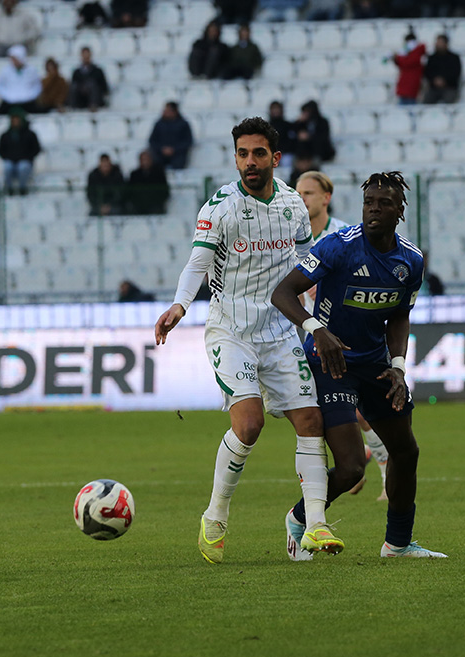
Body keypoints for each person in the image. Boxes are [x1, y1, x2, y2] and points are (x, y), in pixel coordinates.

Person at [154, 116, 344, 564]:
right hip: (231, 330)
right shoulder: (219, 208)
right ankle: (216, 515)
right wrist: (180, 305)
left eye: (259, 153)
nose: (250, 162)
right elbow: (197, 264)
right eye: (242, 154)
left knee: (310, 420)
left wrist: (318, 318)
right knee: (249, 424)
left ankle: (315, 524)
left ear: (275, 158)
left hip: (279, 331)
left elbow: (306, 264)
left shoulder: (293, 205)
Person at [271, 171, 448, 559]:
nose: (374, 210)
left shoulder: (411, 261)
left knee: (406, 452)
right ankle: (300, 518)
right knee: (352, 468)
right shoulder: (338, 246)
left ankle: (397, 544)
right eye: (369, 203)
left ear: (400, 211)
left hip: (375, 365)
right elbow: (282, 292)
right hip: (330, 363)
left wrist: (398, 366)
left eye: (384, 204)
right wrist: (317, 329)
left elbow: (400, 315)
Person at [296, 170, 390, 502]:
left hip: (346, 334)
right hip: (309, 337)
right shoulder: (291, 237)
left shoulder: (344, 235)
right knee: (317, 414)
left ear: (326, 198)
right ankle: (356, 457)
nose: (302, 199)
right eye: (298, 193)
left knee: (359, 410)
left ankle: (384, 469)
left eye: (308, 193)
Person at [0, 107, 41, 195]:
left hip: (25, 160)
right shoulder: (5, 135)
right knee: (7, 166)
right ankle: (9, 189)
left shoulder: (30, 134)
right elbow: (1, 150)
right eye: (13, 120)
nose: (15, 122)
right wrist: (9, 157)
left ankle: (22, 188)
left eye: (17, 120)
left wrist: (27, 157)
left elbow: (36, 149)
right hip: (11, 161)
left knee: (23, 166)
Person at [0, 44, 41, 115]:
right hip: (10, 101)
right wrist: (8, 96)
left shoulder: (31, 70)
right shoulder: (6, 71)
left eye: (15, 58)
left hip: (28, 101)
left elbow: (37, 86)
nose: (13, 61)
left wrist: (29, 95)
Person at [148, 101, 194, 170]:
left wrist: (174, 149)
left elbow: (188, 141)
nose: (165, 112)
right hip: (160, 154)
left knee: (178, 165)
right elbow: (152, 140)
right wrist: (162, 149)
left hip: (178, 154)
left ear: (175, 111)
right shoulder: (159, 124)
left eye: (168, 110)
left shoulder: (183, 124)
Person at [127, 150, 170, 215]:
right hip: (138, 206)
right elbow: (130, 192)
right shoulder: (134, 174)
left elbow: (164, 191)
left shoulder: (158, 173)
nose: (145, 162)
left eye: (146, 159)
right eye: (143, 160)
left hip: (155, 205)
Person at [423, 34, 462, 105]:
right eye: (437, 42)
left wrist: (444, 81)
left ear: (446, 44)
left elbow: (456, 72)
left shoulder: (454, 58)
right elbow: (427, 72)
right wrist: (435, 80)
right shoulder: (432, 58)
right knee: (426, 101)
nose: (438, 44)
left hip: (449, 87)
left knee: (448, 101)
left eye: (440, 42)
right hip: (434, 88)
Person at [392, 27, 426, 105]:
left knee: (410, 107)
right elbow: (403, 64)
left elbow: (409, 62)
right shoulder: (407, 53)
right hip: (405, 84)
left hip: (412, 84)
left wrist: (398, 58)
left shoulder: (417, 53)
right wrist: (396, 59)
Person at [69, 47, 109, 111]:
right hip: (81, 99)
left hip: (95, 99)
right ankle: (72, 106)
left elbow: (104, 87)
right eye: (84, 55)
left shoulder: (98, 71)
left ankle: (93, 105)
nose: (86, 57)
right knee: (74, 86)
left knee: (91, 84)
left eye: (87, 55)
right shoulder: (76, 72)